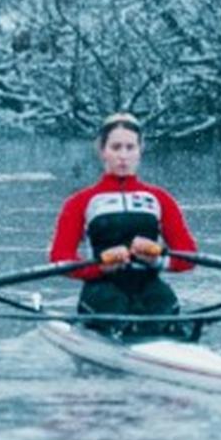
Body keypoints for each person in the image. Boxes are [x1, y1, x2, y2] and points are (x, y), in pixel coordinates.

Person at [46, 112, 197, 339]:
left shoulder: (160, 199)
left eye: (130, 147)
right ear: (102, 151)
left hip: (148, 285)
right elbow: (60, 258)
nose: (123, 156)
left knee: (164, 306)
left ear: (140, 150)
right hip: (101, 288)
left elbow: (189, 258)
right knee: (115, 307)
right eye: (116, 148)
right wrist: (100, 267)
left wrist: (157, 259)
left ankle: (167, 340)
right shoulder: (79, 202)